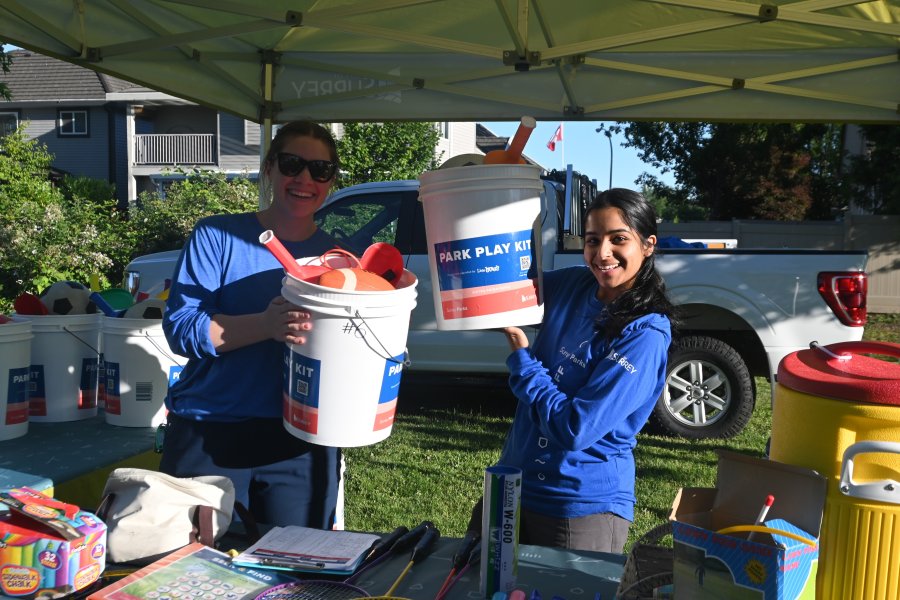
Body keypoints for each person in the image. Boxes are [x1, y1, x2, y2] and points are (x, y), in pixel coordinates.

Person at [469, 188, 676, 553]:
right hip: (514, 485)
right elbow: (498, 286)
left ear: (647, 245)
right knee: (476, 586)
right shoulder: (573, 286)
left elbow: (576, 428)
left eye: (619, 240)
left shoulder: (645, 334)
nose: (603, 254)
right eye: (593, 240)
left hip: (579, 508)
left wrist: (522, 357)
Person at [159, 121, 343, 529]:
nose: (305, 179)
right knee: (192, 575)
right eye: (293, 164)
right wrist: (265, 324)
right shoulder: (218, 236)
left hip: (300, 443)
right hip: (209, 431)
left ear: (331, 180)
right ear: (269, 168)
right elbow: (182, 329)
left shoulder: (341, 261)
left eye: (320, 170)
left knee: (295, 573)